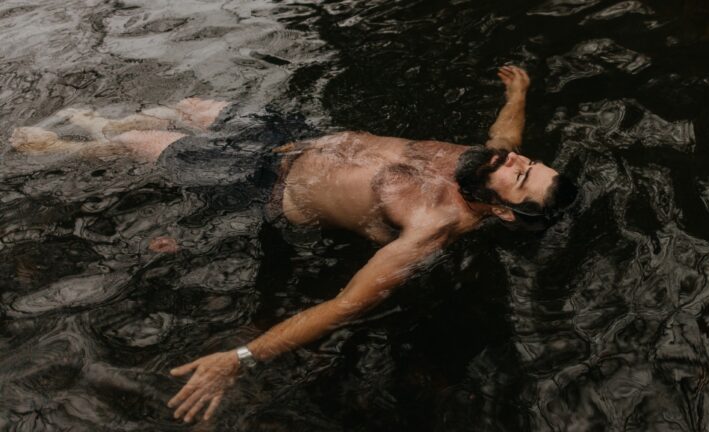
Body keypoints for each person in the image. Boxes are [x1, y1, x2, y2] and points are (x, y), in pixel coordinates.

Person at [9, 66, 576, 422]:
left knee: (138, 141)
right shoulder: (488, 163)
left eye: (521, 176)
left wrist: (240, 359)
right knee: (188, 106)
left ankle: (60, 148)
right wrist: (519, 93)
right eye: (529, 162)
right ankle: (106, 126)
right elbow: (504, 138)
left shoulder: (431, 230)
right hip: (295, 133)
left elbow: (344, 306)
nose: (515, 161)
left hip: (265, 180)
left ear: (502, 209)